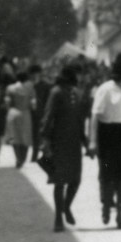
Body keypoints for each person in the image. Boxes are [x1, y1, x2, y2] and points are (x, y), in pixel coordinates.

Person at [39, 63, 89, 232]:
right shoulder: (56, 92)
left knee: (76, 179)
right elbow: (48, 115)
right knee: (60, 181)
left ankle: (66, 207)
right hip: (59, 142)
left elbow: (80, 120)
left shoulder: (77, 93)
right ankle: (58, 218)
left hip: (74, 143)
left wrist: (85, 142)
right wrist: (45, 140)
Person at [89, 53, 121, 229]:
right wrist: (92, 141)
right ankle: (107, 206)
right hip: (107, 134)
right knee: (108, 176)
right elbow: (95, 116)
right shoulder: (105, 89)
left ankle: (120, 215)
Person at [5, 70, 37, 167]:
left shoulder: (10, 88)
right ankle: (22, 158)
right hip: (26, 113)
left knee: (15, 138)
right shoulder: (30, 88)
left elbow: (7, 102)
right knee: (25, 138)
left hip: (14, 113)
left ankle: (18, 158)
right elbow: (33, 104)